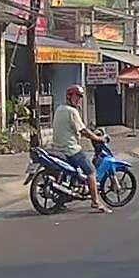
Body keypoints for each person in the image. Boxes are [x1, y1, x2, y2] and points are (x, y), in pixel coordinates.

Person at [52, 85, 111, 214]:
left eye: (80, 97)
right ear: (69, 97)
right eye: (77, 96)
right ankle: (96, 202)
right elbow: (83, 130)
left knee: (76, 172)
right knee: (91, 171)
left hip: (57, 148)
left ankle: (64, 198)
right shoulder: (72, 112)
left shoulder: (59, 109)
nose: (79, 99)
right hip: (70, 149)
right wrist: (97, 138)